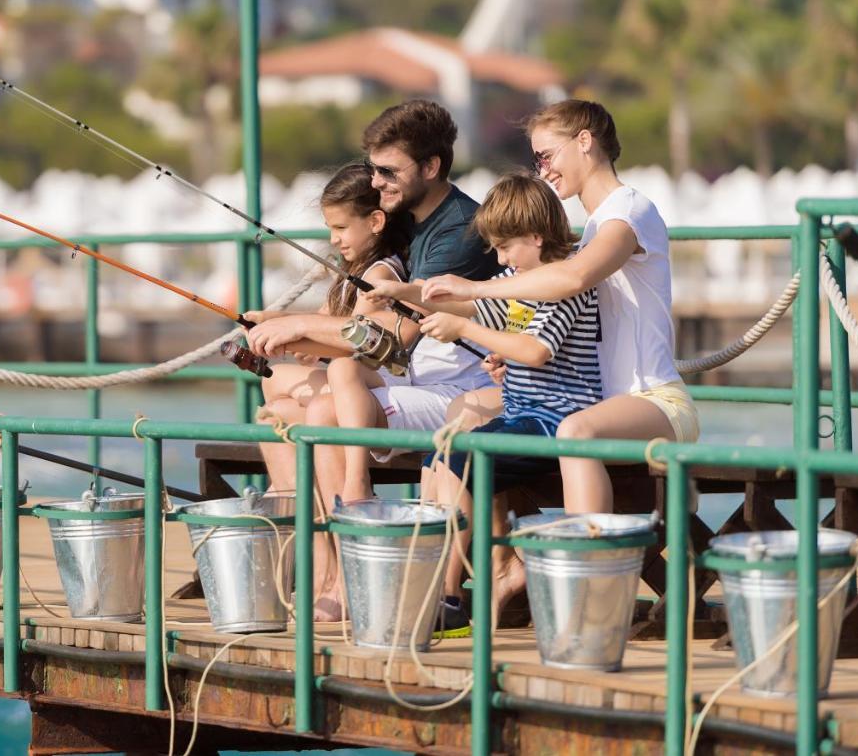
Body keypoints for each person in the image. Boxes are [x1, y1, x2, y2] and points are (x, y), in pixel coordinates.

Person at [247, 99, 501, 619]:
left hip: (463, 391)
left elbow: (393, 337)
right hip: (421, 382)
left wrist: (296, 326)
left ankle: (344, 579)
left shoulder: (459, 231)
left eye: (388, 171)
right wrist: (284, 326)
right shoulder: (409, 218)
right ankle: (325, 570)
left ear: (431, 167)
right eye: (374, 168)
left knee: (320, 408)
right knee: (277, 412)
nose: (376, 180)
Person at [417, 99, 700, 519]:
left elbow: (571, 280)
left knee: (574, 431)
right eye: (536, 161)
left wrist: (473, 289)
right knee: (462, 415)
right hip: (596, 400)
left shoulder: (628, 213)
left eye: (546, 156)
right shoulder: (592, 229)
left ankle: (585, 569)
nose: (542, 170)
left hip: (653, 400)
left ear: (584, 141)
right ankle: (488, 565)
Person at [375, 172, 603, 622]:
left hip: (556, 417)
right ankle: (442, 579)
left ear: (536, 237)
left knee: (463, 460)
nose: (499, 260)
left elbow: (536, 350)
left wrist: (467, 331)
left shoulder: (562, 287)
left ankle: (448, 593)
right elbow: (471, 304)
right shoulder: (516, 280)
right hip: (522, 412)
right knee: (437, 456)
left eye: (505, 247)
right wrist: (404, 293)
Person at [247, 162, 413, 493]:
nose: (333, 239)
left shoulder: (379, 275)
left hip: (380, 380)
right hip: (354, 378)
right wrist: (274, 324)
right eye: (329, 228)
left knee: (288, 385)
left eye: (340, 228)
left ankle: (297, 501)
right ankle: (294, 500)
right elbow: (325, 323)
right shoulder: (351, 272)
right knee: (274, 409)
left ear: (376, 221)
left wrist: (298, 339)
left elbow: (356, 344)